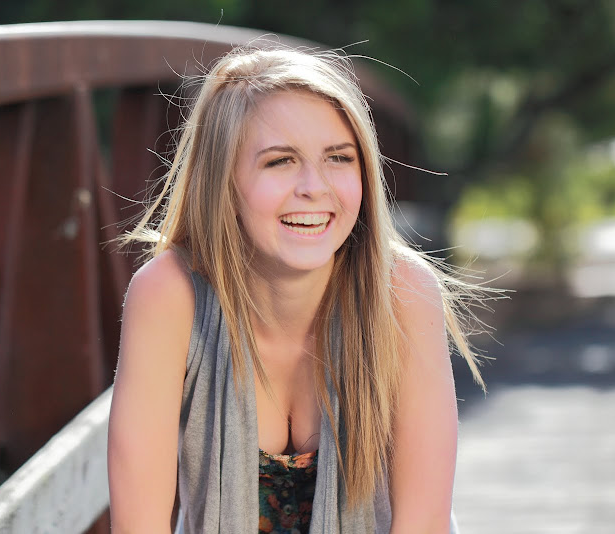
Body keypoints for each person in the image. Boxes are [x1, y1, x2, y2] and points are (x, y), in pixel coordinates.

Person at [107, 45, 486, 534]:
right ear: (223, 182)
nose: (315, 187)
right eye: (280, 161)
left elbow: (423, 524)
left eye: (338, 158)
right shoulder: (169, 295)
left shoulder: (403, 292)